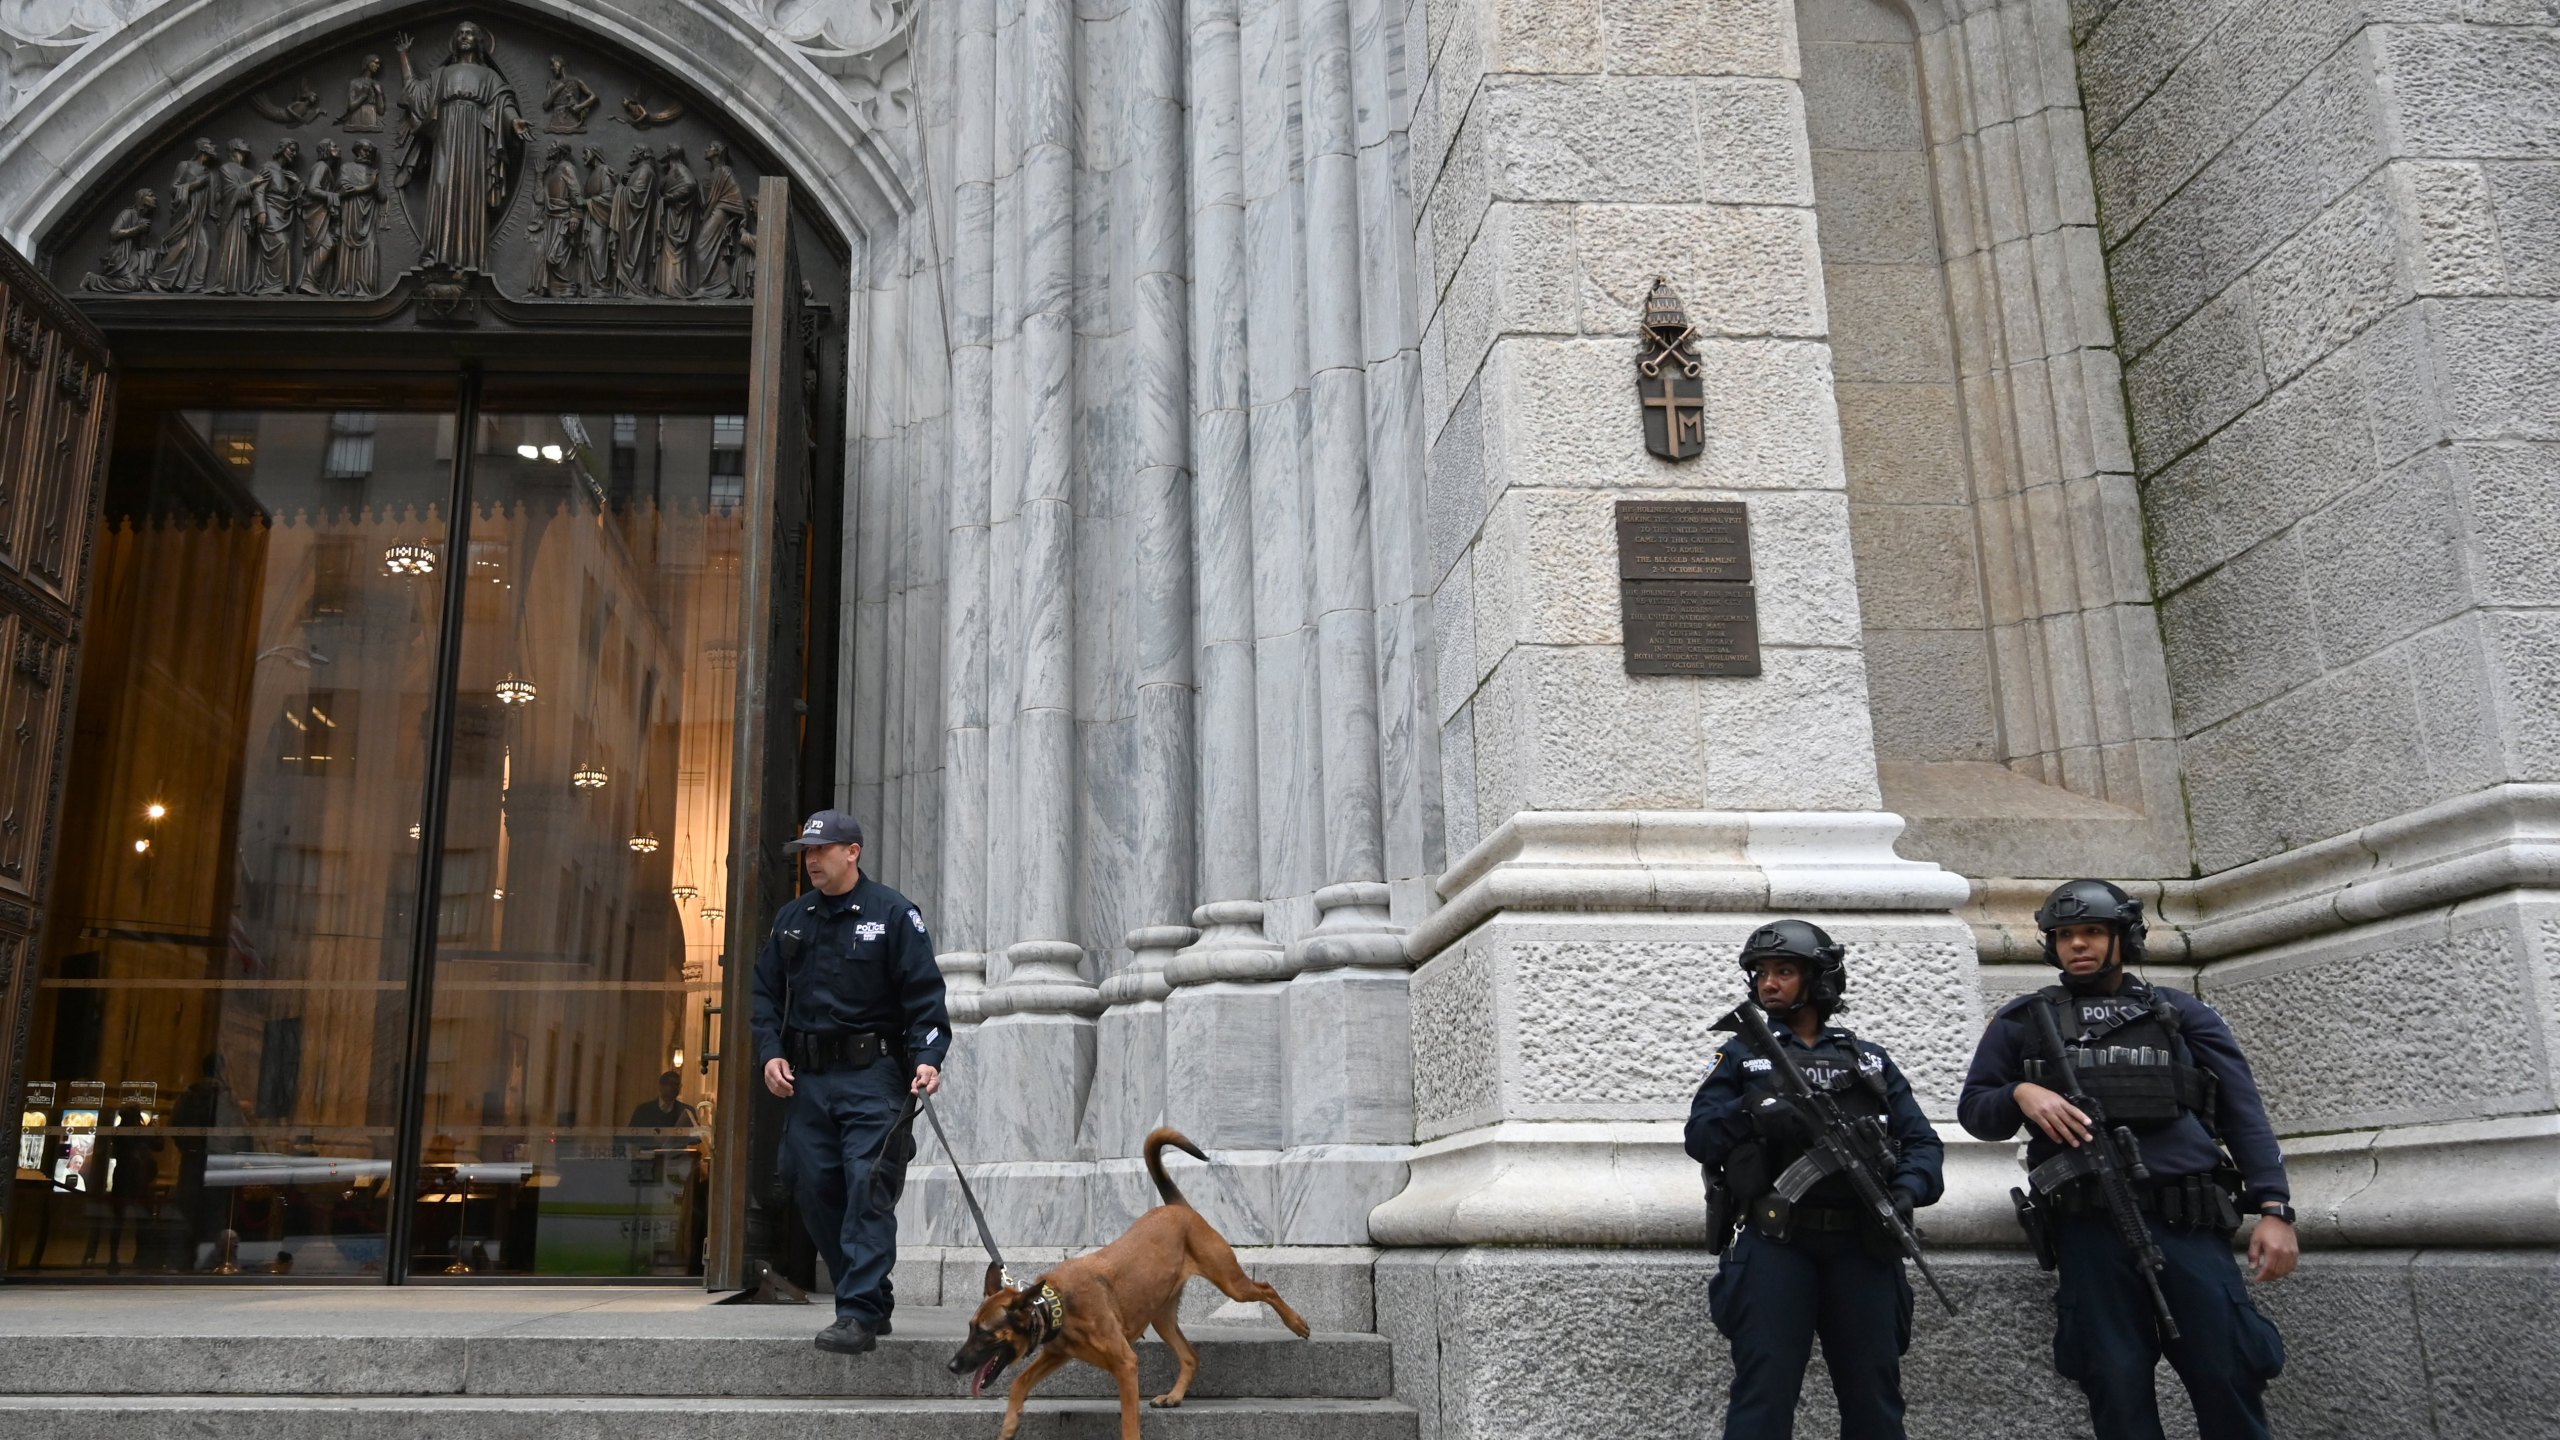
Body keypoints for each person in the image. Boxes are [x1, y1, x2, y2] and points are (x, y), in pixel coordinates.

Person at [1958, 880, 2296, 1440]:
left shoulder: (2180, 1014)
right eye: (2065, 936)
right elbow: (1975, 1112)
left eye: (2092, 931)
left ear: (2126, 936)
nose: (2078, 946)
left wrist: (2276, 1208)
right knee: (2114, 1380)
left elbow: (2245, 1115)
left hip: (2187, 1222)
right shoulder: (2022, 1020)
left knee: (2227, 1370)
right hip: (2089, 1229)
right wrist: (2020, 1093)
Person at [1686, 920, 1944, 1440]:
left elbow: (1923, 1144)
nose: (1768, 984)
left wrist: (1905, 1191)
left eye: (1784, 971)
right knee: (1765, 1392)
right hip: (1777, 1241)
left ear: (1820, 980)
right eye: (1760, 973)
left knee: (1874, 1395)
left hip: (1863, 1244)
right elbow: (1701, 1136)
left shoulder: (1868, 1060)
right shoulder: (1742, 1056)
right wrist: (1752, 1109)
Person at [750, 809, 949, 1356]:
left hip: (873, 1077)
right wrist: (770, 1053)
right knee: (809, 1184)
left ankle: (856, 1311)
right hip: (808, 1080)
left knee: (868, 1184)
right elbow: (764, 994)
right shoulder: (793, 919)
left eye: (822, 849)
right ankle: (867, 1294)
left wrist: (928, 1057)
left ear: (852, 852)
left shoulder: (892, 914)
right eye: (806, 852)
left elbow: (925, 996)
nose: (812, 859)